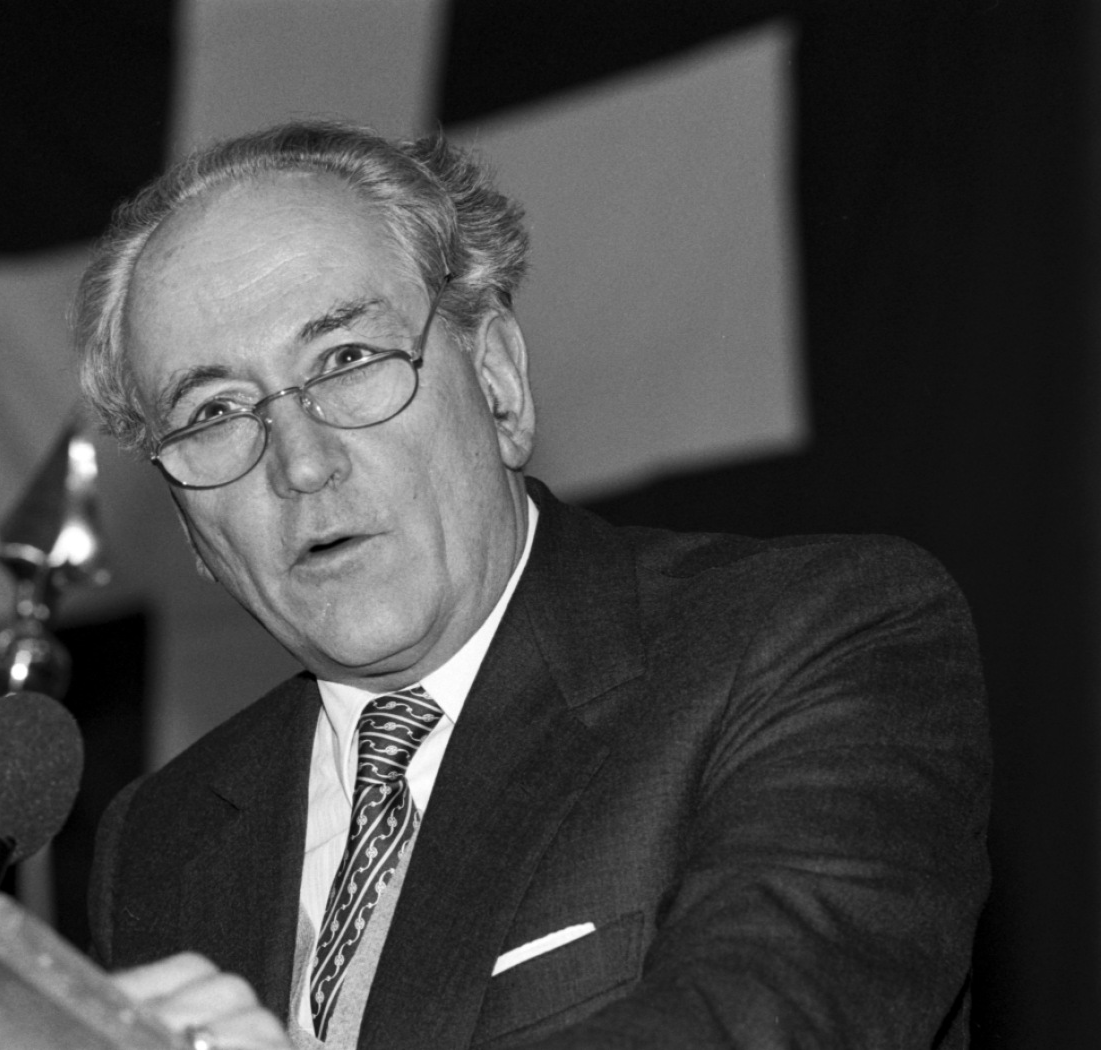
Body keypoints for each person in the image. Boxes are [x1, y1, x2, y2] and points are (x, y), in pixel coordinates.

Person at [78, 120, 991, 1049]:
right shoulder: (159, 840)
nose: (301, 465)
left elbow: (761, 1026)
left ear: (498, 384)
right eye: (214, 413)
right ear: (190, 526)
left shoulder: (811, 638)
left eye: (347, 361)